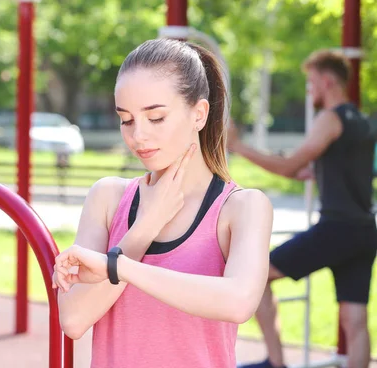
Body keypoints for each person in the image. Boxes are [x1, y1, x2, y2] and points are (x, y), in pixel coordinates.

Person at [51, 38, 274, 368]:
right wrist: (144, 228)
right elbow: (73, 320)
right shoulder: (109, 198)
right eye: (126, 120)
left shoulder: (241, 208)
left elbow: (239, 301)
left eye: (155, 118)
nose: (137, 136)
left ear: (199, 114)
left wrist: (117, 265)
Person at [228, 49, 377, 368]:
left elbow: (289, 167)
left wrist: (238, 146)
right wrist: (310, 169)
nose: (309, 90)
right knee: (355, 319)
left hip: (337, 229)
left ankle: (276, 363)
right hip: (365, 230)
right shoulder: (362, 123)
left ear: (326, 81)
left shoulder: (330, 119)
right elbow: (334, 169)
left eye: (311, 83)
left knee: (259, 274)